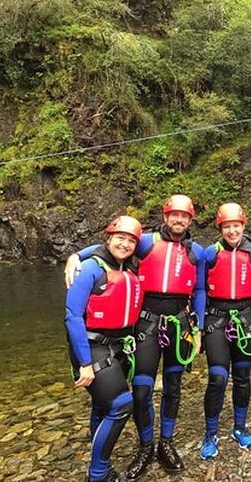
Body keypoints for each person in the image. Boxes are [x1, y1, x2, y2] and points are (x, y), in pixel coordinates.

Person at [65, 195, 206, 479]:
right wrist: (76, 255)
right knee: (141, 390)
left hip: (180, 323)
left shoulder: (197, 252)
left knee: (174, 386)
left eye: (184, 216)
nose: (179, 220)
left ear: (191, 220)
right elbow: (113, 247)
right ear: (165, 217)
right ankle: (145, 446)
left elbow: (200, 290)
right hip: (146, 325)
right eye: (174, 215)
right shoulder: (146, 242)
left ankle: (166, 443)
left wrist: (199, 327)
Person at [64, 215, 143, 482]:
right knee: (122, 405)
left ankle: (97, 465)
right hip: (91, 346)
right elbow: (72, 316)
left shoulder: (130, 269)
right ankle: (98, 474)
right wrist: (84, 362)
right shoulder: (89, 269)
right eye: (120, 237)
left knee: (102, 406)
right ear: (108, 238)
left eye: (131, 240)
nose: (125, 244)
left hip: (119, 346)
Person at [199, 203, 251, 459]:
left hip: (246, 316)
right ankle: (210, 433)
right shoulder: (210, 253)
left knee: (242, 376)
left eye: (235, 226)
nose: (231, 231)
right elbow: (199, 288)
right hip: (216, 319)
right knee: (217, 378)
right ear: (220, 228)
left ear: (243, 226)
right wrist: (198, 326)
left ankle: (239, 427)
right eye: (226, 226)